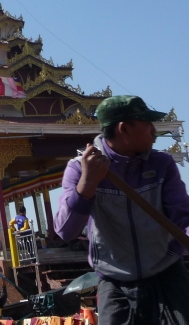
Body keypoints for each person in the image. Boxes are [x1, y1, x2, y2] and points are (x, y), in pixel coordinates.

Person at [54, 95, 189, 324]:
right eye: (147, 124)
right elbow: (65, 231)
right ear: (124, 129)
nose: (154, 131)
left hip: (168, 275)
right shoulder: (79, 169)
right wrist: (87, 185)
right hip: (115, 284)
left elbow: (183, 217)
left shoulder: (162, 165)